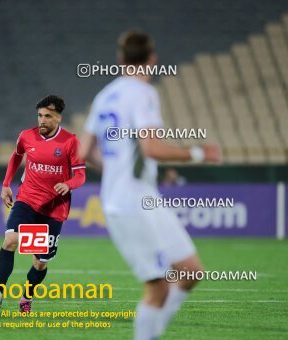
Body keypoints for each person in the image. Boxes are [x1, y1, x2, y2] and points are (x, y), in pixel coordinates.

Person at [79, 32, 222, 339]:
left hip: (139, 197)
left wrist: (114, 168)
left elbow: (83, 152)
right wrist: (199, 153)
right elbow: (152, 149)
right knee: (157, 286)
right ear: (152, 59)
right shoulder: (143, 93)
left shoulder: (104, 95)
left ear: (120, 61)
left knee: (190, 271)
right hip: (130, 203)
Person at [0, 95, 86, 312]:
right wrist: (6, 184)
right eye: (40, 115)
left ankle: (27, 296)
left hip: (54, 209)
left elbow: (80, 175)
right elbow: (16, 157)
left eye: (48, 116)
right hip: (27, 200)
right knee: (10, 240)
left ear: (59, 118)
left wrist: (69, 185)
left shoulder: (71, 142)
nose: (42, 120)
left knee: (40, 262)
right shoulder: (27, 136)